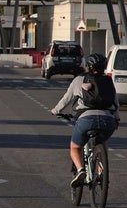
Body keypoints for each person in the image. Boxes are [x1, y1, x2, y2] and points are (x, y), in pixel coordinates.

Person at [50, 53, 120, 188]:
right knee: (101, 141)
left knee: (75, 147)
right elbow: (115, 103)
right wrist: (116, 119)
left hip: (86, 120)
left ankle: (81, 170)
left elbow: (66, 99)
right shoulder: (108, 81)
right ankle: (101, 170)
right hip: (108, 121)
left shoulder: (79, 80)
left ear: (87, 66)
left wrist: (55, 111)